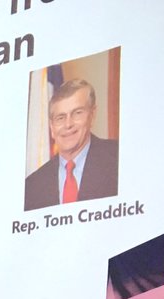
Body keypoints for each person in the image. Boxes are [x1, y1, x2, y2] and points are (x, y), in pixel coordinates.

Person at [24, 78, 119, 210]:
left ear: (92, 115)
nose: (68, 124)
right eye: (60, 118)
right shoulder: (32, 185)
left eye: (77, 113)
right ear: (52, 127)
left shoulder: (119, 158)